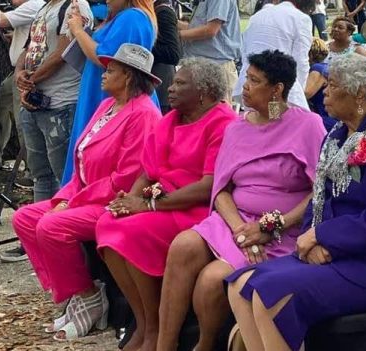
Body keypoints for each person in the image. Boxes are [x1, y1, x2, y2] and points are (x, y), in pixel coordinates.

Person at [226, 53, 366, 351]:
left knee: (270, 296)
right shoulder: (336, 134)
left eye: (332, 86)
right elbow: (318, 196)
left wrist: (322, 237)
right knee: (238, 285)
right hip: (330, 253)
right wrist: (311, 241)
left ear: (358, 93)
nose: (325, 92)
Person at [157, 50, 326, 351]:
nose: (244, 86)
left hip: (282, 230)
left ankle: (205, 345)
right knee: (183, 245)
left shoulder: (308, 126)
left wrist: (273, 226)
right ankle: (164, 345)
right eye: (247, 78)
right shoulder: (237, 127)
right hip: (236, 220)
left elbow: (320, 191)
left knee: (212, 280)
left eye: (255, 81)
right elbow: (221, 189)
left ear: (277, 90)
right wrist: (239, 229)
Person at [12, 43, 162, 341]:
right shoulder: (107, 106)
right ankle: (71, 293)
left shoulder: (143, 114)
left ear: (130, 76)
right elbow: (81, 161)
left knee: (52, 226)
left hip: (113, 202)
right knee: (25, 218)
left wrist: (72, 203)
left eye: (111, 70)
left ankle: (90, 296)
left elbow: (127, 178)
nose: (103, 75)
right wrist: (66, 197)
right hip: (85, 195)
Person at [96, 57, 237, 351]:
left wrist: (146, 206)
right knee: (107, 222)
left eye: (180, 83)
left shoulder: (223, 122)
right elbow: (147, 171)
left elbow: (209, 186)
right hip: (160, 201)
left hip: (194, 208)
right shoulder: (171, 118)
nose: (170, 89)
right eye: (173, 83)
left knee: (133, 232)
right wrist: (131, 199)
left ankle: (157, 332)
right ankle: (145, 321)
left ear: (204, 92)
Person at [61, 0, 157, 184]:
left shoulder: (133, 17)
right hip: (102, 93)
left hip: (112, 97)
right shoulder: (122, 17)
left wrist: (78, 31)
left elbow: (106, 58)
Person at [0, 0, 45, 263]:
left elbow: (1, 19)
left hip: (29, 82)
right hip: (15, 75)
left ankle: (35, 212)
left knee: (27, 137)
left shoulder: (36, 5)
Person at [15, 0, 93, 199]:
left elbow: (62, 54)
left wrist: (30, 80)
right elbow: (29, 46)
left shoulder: (76, 6)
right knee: (41, 176)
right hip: (35, 102)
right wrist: (19, 73)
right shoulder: (45, 7)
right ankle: (39, 226)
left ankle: (59, 226)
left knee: (64, 177)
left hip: (61, 103)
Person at [233, 0, 316, 110]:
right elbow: (301, 62)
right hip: (276, 91)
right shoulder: (301, 19)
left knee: (257, 123)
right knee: (275, 123)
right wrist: (296, 91)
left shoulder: (257, 16)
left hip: (249, 86)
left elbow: (245, 54)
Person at [178, 0, 242, 103]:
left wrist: (178, 35)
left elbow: (211, 30)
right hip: (204, 66)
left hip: (216, 67)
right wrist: (172, 21)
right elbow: (195, 28)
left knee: (216, 114)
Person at [152, 0, 181, 115]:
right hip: (154, 84)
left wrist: (141, 46)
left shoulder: (163, 11)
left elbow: (172, 53)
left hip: (160, 85)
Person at [306, 38, 336, 131]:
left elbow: (306, 93)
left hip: (324, 118)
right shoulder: (324, 67)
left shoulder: (318, 68)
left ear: (310, 54)